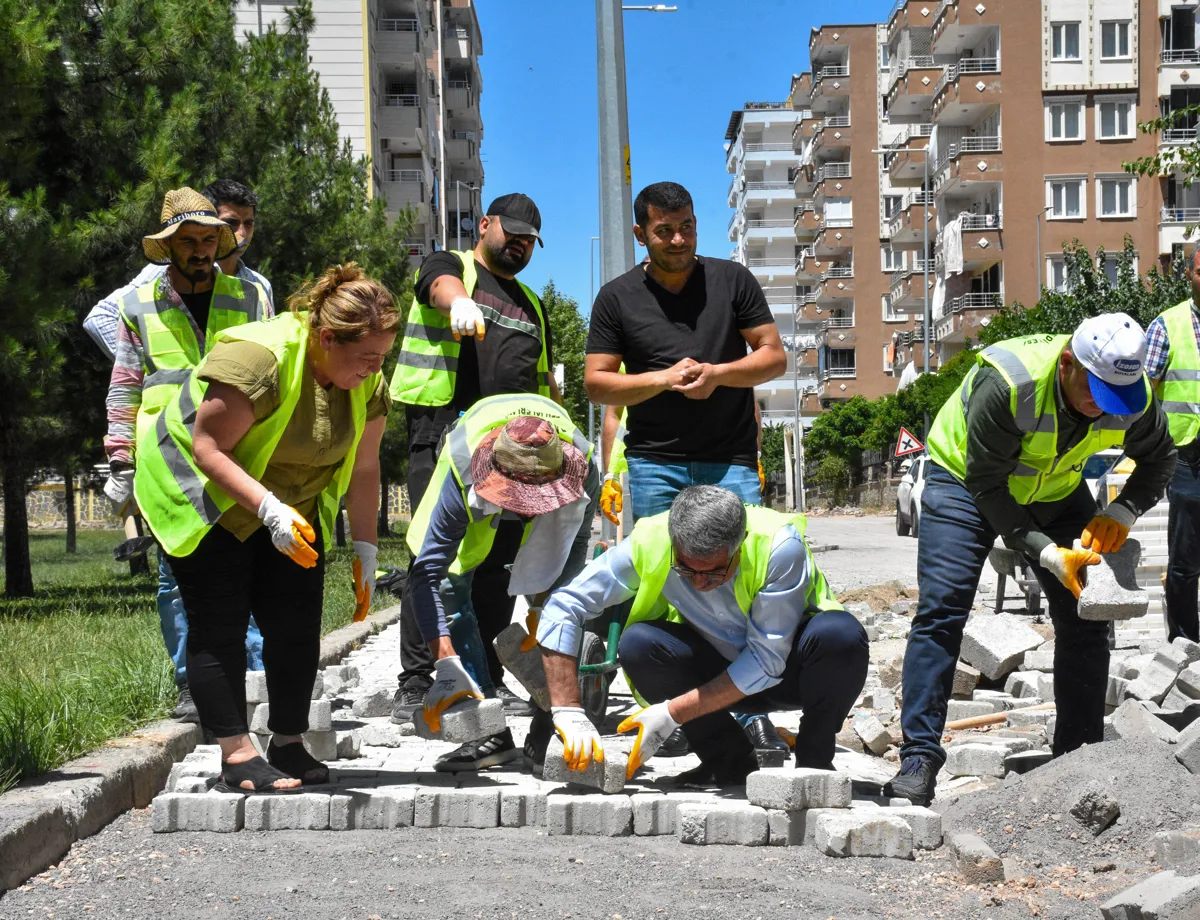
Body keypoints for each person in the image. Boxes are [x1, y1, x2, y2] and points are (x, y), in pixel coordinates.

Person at [887, 314, 1176, 807]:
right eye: (1096, 394)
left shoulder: (1132, 395)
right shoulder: (1009, 385)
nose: (1102, 411)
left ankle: (1077, 755)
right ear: (1068, 363)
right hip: (965, 483)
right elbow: (988, 487)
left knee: (1087, 615)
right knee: (943, 610)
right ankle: (919, 758)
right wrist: (1044, 552)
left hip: (1057, 491)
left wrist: (1122, 511)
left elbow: (1160, 458)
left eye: (1116, 400)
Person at [133, 263, 396, 792]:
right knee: (219, 620)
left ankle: (289, 743)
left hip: (286, 500)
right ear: (326, 338)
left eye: (382, 357)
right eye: (367, 357)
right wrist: (268, 509)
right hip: (202, 491)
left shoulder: (365, 380)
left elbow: (365, 467)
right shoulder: (260, 359)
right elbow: (208, 447)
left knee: (296, 622)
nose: (374, 369)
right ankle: (235, 754)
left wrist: (365, 546)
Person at [584, 181, 789, 759]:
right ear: (640, 234)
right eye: (664, 231)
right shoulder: (617, 298)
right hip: (654, 463)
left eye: (688, 227)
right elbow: (597, 381)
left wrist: (719, 374)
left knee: (737, 581)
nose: (679, 240)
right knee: (669, 586)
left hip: (730, 462)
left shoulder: (732, 281)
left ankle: (748, 708)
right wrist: (663, 378)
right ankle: (681, 712)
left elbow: (773, 357)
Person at [535, 485, 867, 785]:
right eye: (686, 568)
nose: (698, 583)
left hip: (791, 673)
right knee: (639, 644)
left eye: (714, 571)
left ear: (738, 546)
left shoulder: (779, 545)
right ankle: (729, 762)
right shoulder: (652, 539)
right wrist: (568, 710)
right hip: (713, 669)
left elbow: (767, 661)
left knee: (840, 634)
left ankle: (815, 765)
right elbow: (565, 605)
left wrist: (672, 713)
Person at [100, 186, 273, 721]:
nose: (201, 251)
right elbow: (125, 385)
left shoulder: (250, 299)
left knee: (247, 570)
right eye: (190, 242)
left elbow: (274, 374)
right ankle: (190, 686)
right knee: (178, 577)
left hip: (238, 455)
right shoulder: (137, 305)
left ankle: (255, 681)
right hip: (167, 463)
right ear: (169, 248)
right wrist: (121, 459)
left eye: (208, 240)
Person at [389, 193, 561, 724]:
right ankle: (419, 680)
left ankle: (483, 668)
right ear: (484, 225)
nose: (519, 244)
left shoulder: (532, 305)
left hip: (510, 450)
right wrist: (458, 301)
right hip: (443, 431)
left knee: (497, 563)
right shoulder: (452, 266)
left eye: (529, 240)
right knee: (434, 556)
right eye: (511, 233)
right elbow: (437, 284)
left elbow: (542, 385)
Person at [406, 396, 599, 772]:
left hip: (560, 486)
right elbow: (427, 571)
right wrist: (445, 661)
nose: (524, 511)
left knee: (562, 601)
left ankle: (552, 722)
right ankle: (487, 731)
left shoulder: (582, 466)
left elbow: (573, 551)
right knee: (449, 587)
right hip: (479, 478)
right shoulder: (461, 467)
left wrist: (547, 609)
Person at [83, 179, 274, 360]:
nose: (242, 233)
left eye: (248, 223)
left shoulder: (258, 286)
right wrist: (143, 365)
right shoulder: (168, 270)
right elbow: (100, 317)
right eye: (231, 223)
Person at [1146, 245, 1200, 642]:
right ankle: (1185, 646)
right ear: (1189, 274)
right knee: (1185, 560)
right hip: (1188, 456)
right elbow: (1144, 394)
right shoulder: (1168, 325)